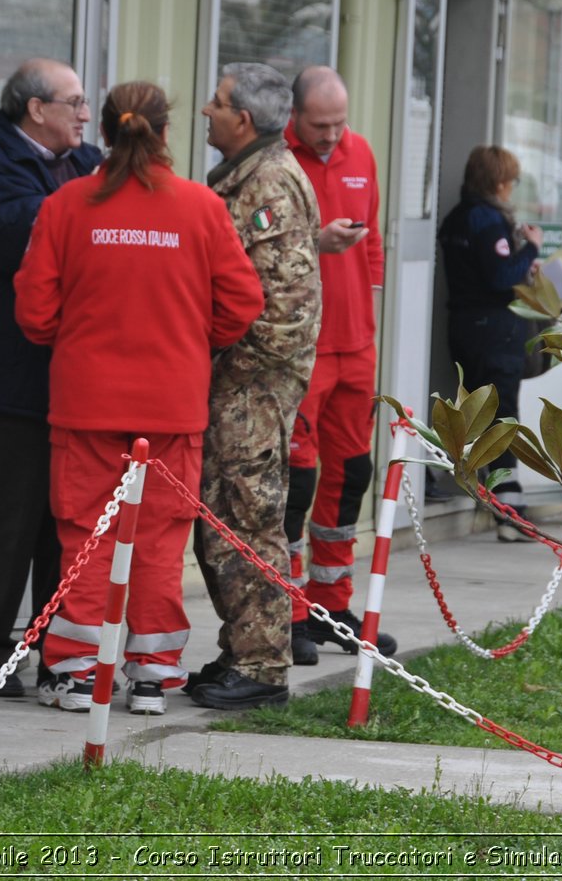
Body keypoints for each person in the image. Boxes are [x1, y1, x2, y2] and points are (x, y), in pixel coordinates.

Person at [14, 81, 263, 716]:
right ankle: (152, 676)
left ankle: (74, 672)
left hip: (86, 405)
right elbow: (241, 303)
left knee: (85, 539)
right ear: (164, 132)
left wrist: (80, 338)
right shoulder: (201, 208)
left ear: (103, 129)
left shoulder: (67, 205)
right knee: (157, 543)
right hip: (172, 409)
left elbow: (35, 313)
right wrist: (186, 339)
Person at [0, 58, 100, 699]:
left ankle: (46, 649)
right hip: (7, 382)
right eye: (73, 102)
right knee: (4, 526)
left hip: (67, 382)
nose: (85, 115)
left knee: (58, 527)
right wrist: (94, 206)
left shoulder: (82, 160)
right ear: (36, 109)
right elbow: (30, 236)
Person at [187, 63, 323, 710]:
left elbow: (286, 310)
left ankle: (265, 663)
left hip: (254, 382)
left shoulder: (269, 181)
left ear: (243, 119)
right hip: (237, 379)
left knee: (249, 511)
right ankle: (243, 642)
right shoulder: (246, 175)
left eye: (215, 103)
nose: (205, 111)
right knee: (220, 514)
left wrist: (225, 361)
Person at [281, 66, 395, 665]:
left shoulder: (361, 154)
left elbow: (372, 241)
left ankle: (332, 605)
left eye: (339, 123)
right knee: (296, 480)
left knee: (351, 473)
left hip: (356, 345)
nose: (330, 135)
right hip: (304, 345)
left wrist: (366, 297)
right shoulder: (279, 160)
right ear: (294, 117)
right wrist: (313, 243)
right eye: (319, 125)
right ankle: (290, 611)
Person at [438, 145, 543, 541]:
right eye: (512, 181)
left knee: (477, 414)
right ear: (500, 183)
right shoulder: (489, 221)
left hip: (463, 325)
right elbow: (501, 278)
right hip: (496, 330)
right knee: (503, 417)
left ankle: (492, 492)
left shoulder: (454, 219)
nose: (512, 189)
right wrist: (531, 246)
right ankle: (509, 509)